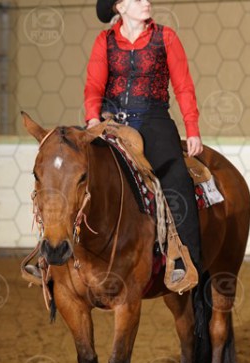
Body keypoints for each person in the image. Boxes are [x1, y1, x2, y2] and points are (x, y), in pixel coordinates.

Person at [84, 0, 203, 282]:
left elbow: (183, 87)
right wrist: (92, 118)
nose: (147, 1)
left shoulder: (166, 37)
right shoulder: (104, 41)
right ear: (120, 7)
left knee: (177, 180)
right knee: (69, 164)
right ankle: (50, 255)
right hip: (112, 122)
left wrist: (192, 128)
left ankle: (186, 261)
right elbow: (94, 85)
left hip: (154, 120)